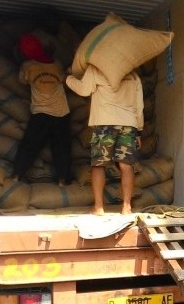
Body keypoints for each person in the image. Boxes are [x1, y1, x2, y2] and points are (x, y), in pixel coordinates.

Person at [65, 65, 143, 215]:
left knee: (99, 164)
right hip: (128, 123)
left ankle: (99, 207)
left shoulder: (96, 69)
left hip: (104, 123)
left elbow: (83, 89)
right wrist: (139, 131)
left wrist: (69, 78)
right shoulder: (133, 75)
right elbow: (139, 106)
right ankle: (127, 207)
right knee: (126, 165)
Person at [12, 34, 73, 186]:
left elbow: (22, 80)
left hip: (41, 113)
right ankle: (62, 180)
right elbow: (63, 80)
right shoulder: (56, 63)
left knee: (29, 146)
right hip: (62, 113)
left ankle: (16, 176)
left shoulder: (27, 66)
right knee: (62, 148)